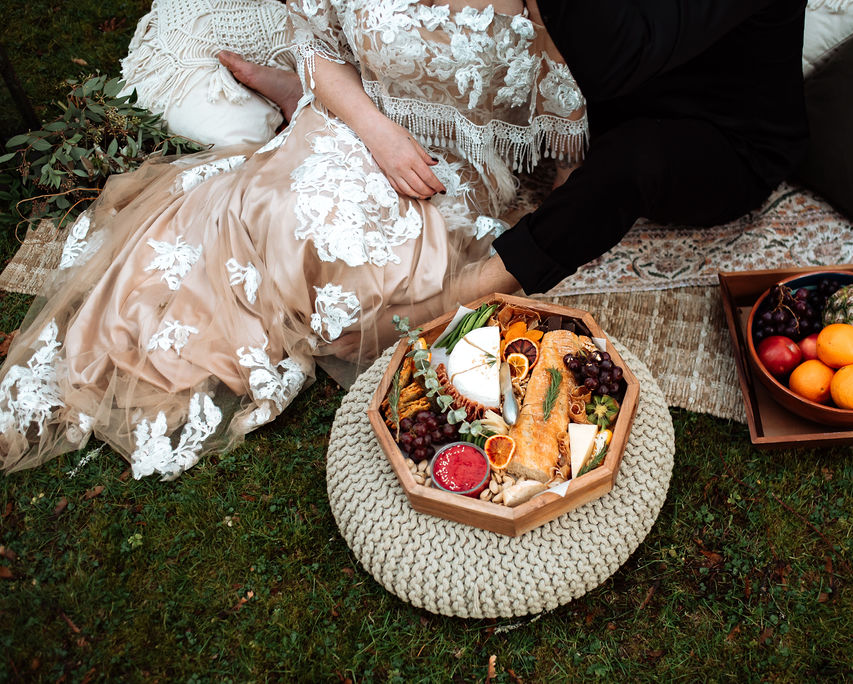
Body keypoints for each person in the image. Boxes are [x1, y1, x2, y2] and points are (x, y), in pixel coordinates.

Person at [0, 0, 587, 479]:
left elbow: (568, 127)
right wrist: (378, 134)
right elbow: (321, 51)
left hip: (452, 179)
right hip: (361, 125)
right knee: (282, 212)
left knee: (376, 277)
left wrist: (558, 229)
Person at [221, 0, 810, 299]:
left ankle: (476, 289)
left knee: (631, 156)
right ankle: (310, 94)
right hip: (607, 98)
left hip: (725, 142)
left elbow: (615, 61)